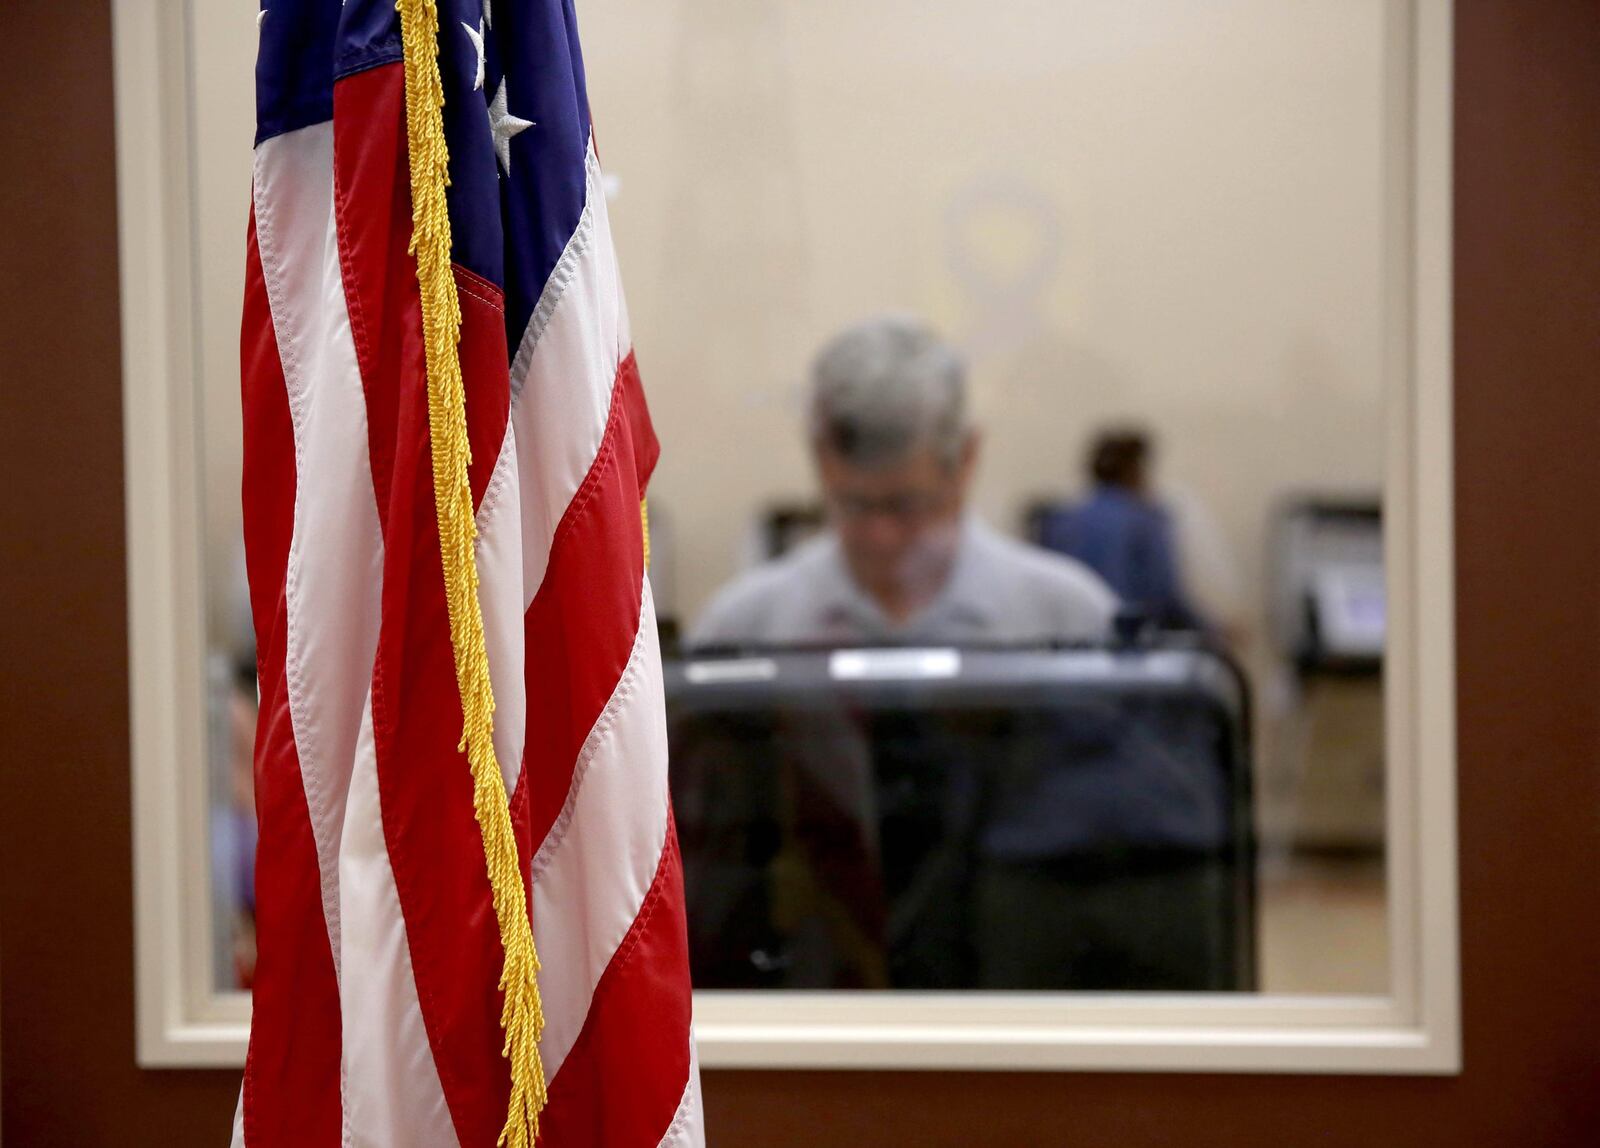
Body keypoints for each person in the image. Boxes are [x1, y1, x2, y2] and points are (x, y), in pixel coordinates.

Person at [690, 316, 1117, 647]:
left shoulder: (1072, 621)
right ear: (820, 459)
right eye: (854, 505)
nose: (882, 537)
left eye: (907, 505)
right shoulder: (742, 629)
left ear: (966, 458)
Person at [1038, 428, 1206, 633]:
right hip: (1128, 645)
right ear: (1135, 471)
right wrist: (1212, 631)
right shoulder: (1146, 521)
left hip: (1072, 642)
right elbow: (1165, 595)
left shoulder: (1060, 519)